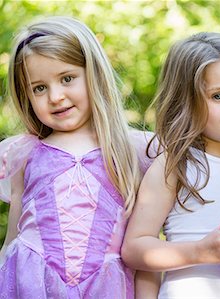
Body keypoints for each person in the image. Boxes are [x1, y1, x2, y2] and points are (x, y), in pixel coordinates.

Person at [0, 16, 154, 298]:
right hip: (31, 284)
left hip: (107, 288)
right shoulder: (24, 153)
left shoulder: (132, 148)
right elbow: (12, 238)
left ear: (93, 74)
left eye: (67, 79)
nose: (55, 96)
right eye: (39, 88)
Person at [122, 32, 220, 298]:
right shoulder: (175, 167)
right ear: (186, 101)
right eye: (219, 96)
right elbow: (134, 248)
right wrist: (201, 251)